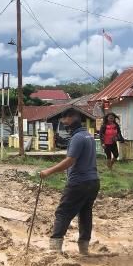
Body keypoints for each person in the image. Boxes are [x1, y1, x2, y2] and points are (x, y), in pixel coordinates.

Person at [39, 109, 100, 255]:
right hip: (93, 181)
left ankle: (55, 248)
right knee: (85, 213)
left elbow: (70, 161)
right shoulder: (88, 136)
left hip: (79, 182)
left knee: (63, 212)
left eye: (64, 120)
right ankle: (84, 248)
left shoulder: (78, 138)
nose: (63, 123)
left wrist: (49, 171)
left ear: (72, 118)